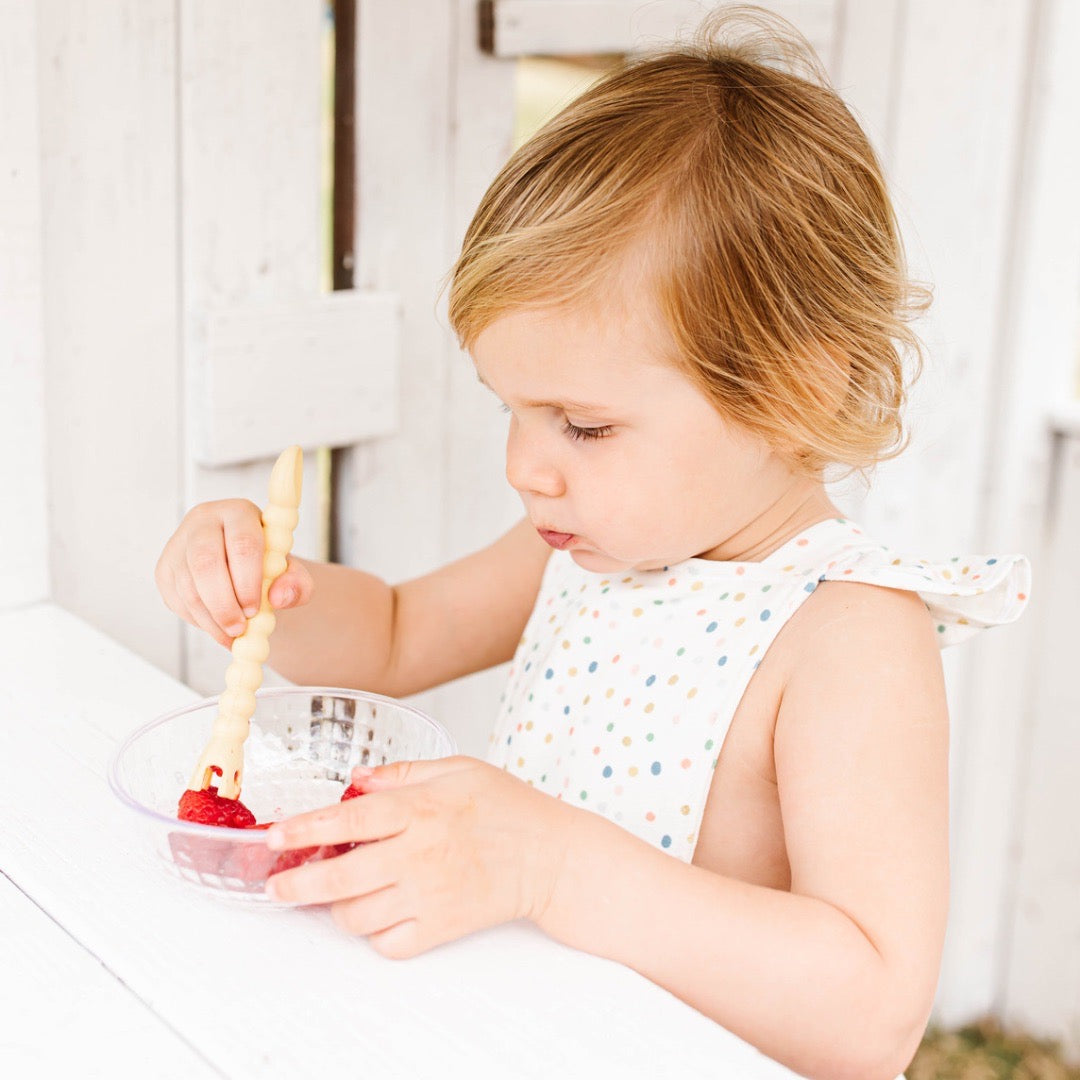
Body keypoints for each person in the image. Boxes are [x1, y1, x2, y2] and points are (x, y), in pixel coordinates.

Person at [155, 8, 1029, 1079]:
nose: (528, 465)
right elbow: (387, 638)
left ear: (797, 386)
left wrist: (553, 868)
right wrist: (267, 584)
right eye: (510, 410)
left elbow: (872, 1009)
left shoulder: (847, 636)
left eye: (585, 425)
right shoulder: (584, 547)